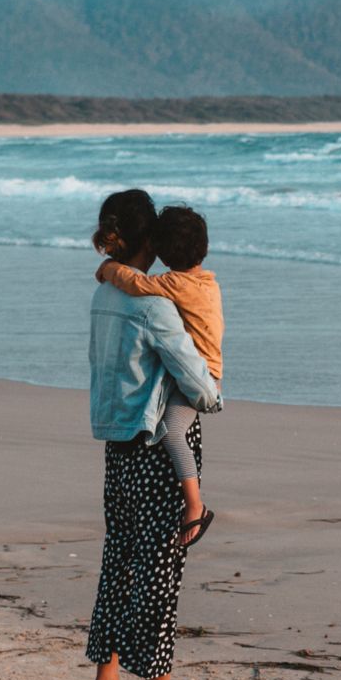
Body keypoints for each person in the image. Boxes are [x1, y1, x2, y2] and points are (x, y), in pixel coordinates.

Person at [86, 189, 220, 680]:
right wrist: (211, 394)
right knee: (159, 571)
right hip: (155, 453)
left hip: (116, 444)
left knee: (119, 562)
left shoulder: (104, 293)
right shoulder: (155, 305)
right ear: (150, 242)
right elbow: (200, 387)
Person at [96, 204, 224, 547]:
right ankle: (193, 500)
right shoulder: (207, 282)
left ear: (163, 254)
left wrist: (108, 269)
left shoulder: (174, 285)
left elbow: (136, 284)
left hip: (201, 377)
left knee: (170, 431)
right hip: (204, 370)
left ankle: (195, 505)